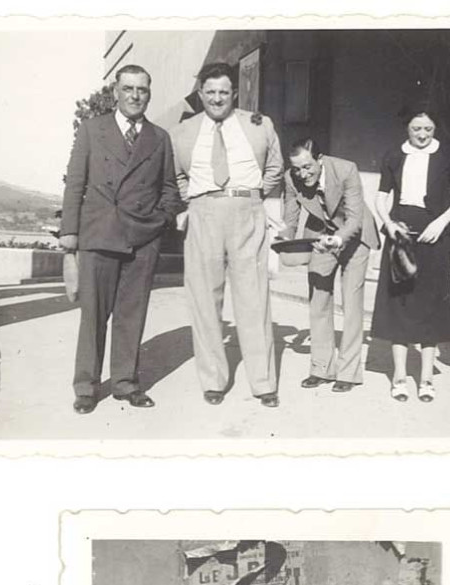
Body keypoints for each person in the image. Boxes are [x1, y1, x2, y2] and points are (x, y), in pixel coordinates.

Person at [60, 65, 181, 414]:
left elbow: (170, 189)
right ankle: (86, 386)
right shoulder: (91, 129)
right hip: (99, 235)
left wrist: (158, 221)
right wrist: (70, 234)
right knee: (93, 315)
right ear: (115, 91)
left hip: (143, 238)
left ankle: (125, 383)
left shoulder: (160, 138)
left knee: (132, 314)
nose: (134, 95)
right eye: (127, 88)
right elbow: (75, 184)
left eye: (141, 89)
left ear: (149, 94)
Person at [170, 63, 283, 408]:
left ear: (234, 92)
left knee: (253, 299)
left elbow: (276, 167)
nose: (217, 98)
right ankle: (213, 380)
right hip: (204, 214)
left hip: (246, 211)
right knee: (205, 301)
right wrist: (195, 201)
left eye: (224, 92)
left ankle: (263, 383)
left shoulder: (259, 124)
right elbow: (176, 176)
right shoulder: (183, 132)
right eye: (211, 92)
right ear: (201, 93)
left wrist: (254, 196)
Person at [371, 106, 450, 402]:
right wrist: (388, 225)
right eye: (417, 129)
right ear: (407, 129)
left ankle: (426, 378)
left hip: (433, 238)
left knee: (430, 306)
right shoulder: (393, 155)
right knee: (399, 304)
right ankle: (400, 376)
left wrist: (441, 222)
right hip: (401, 235)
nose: (423, 134)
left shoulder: (448, 155)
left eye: (428, 129)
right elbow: (380, 197)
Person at [281, 139, 380, 392]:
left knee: (351, 302)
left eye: (307, 167)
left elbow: (355, 217)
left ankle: (348, 373)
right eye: (297, 169)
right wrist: (284, 236)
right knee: (318, 300)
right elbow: (290, 219)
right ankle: (321, 369)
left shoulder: (346, 169)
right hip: (320, 235)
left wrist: (337, 239)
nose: (303, 175)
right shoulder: (291, 179)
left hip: (355, 235)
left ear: (319, 159)